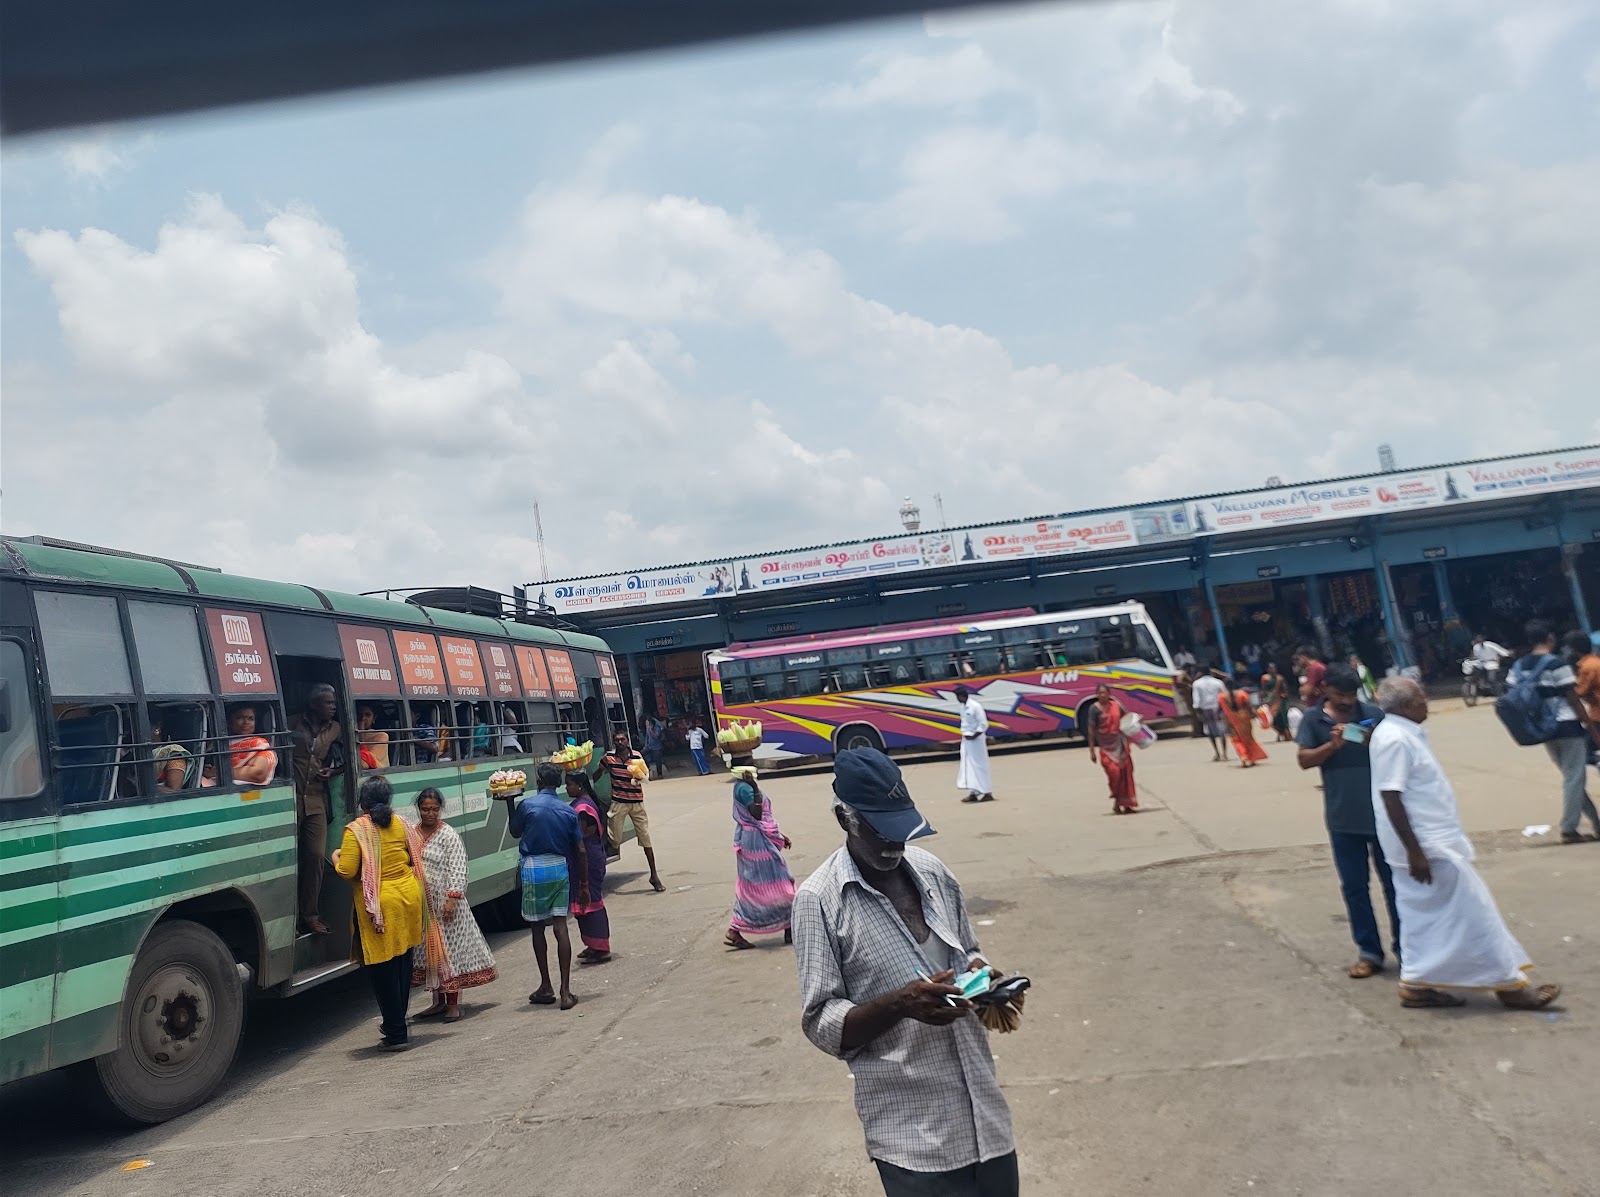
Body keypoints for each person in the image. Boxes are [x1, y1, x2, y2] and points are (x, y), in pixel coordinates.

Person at [793, 748, 1017, 1197]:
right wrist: (901, 1003)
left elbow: (968, 950)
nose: (894, 844)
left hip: (986, 1118)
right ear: (845, 820)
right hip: (914, 1139)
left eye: (902, 829)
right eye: (881, 832)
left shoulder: (932, 871)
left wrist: (982, 976)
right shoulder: (819, 900)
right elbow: (821, 1022)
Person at [1369, 677, 1561, 1011]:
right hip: (1427, 846)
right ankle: (1509, 986)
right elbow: (1391, 797)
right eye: (1420, 696)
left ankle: (1414, 983)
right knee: (1477, 911)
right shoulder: (1395, 738)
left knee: (1423, 919)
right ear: (1405, 706)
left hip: (1428, 843)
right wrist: (1416, 851)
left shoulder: (1400, 734)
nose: (1427, 700)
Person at [1296, 662, 1398, 979]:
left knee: (1395, 886)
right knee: (1355, 888)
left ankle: (1407, 949)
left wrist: (1368, 740)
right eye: (1340, 694)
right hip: (1342, 817)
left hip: (1382, 815)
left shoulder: (1374, 714)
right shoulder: (1313, 718)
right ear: (1325, 689)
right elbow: (1303, 760)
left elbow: (1396, 752)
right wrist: (1332, 746)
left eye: (1352, 694)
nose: (1347, 701)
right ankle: (1369, 952)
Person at [331, 775, 428, 1050]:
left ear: (362, 802)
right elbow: (414, 853)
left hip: (380, 907)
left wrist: (337, 856)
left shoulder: (357, 830)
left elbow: (348, 870)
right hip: (408, 898)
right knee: (401, 965)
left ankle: (396, 1032)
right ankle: (396, 1024)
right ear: (387, 799)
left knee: (383, 971)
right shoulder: (401, 823)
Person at [507, 761, 590, 1010]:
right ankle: (565, 992)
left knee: (537, 929)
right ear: (559, 783)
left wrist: (510, 802)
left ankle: (546, 985)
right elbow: (581, 850)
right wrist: (584, 883)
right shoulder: (567, 811)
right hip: (558, 867)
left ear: (539, 781)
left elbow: (514, 831)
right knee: (560, 927)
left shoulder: (528, 805)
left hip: (533, 868)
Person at [1508, 620, 1600, 844]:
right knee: (1574, 778)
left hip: (1543, 729)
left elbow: (1512, 696)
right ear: (1550, 638)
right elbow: (1573, 699)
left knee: (1572, 778)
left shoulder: (1519, 667)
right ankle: (1569, 829)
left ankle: (1596, 823)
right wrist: (1589, 726)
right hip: (1567, 726)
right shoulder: (1555, 663)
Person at [411, 787, 498, 1021]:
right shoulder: (412, 833)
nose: (429, 813)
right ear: (418, 809)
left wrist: (452, 898)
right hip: (423, 907)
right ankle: (437, 1001)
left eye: (434, 809)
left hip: (446, 907)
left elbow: (458, 868)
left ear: (440, 809)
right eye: (425, 809)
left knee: (449, 953)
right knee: (432, 954)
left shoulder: (448, 834)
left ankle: (452, 1004)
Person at [289, 684, 342, 936]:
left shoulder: (336, 729)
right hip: (290, 802)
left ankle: (310, 915)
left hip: (316, 802)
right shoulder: (291, 724)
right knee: (288, 860)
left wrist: (332, 771)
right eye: (328, 703)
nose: (333, 707)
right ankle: (288, 919)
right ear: (313, 705)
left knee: (315, 856)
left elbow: (346, 759)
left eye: (333, 703)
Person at [725, 765, 796, 949]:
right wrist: (754, 787)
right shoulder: (744, 787)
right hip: (756, 842)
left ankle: (788, 928)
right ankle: (736, 928)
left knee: (759, 886)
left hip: (755, 838)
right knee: (778, 884)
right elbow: (756, 814)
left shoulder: (741, 786)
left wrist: (780, 836)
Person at [601, 731, 665, 892]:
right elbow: (599, 771)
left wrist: (640, 779)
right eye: (617, 740)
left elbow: (646, 774)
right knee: (614, 838)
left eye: (622, 739)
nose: (620, 742)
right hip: (619, 802)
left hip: (637, 803)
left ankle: (654, 876)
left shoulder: (637, 756)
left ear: (627, 741)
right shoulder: (609, 758)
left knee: (645, 839)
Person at [564, 770, 612, 963]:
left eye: (569, 784)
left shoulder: (583, 807)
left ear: (580, 785)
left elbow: (580, 835)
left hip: (588, 857)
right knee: (584, 901)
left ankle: (601, 947)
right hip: (583, 856)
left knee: (591, 900)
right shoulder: (582, 802)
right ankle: (592, 944)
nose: (567, 788)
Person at [1086, 683, 1138, 814]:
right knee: (1114, 773)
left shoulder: (1116, 705)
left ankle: (1126, 805)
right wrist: (1092, 750)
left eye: (1105, 693)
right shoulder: (1094, 709)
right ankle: (1116, 797)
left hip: (1120, 744)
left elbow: (1126, 720)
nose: (1102, 695)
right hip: (1106, 747)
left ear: (1109, 694)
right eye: (1100, 693)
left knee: (1125, 773)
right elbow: (1091, 730)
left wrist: (1137, 724)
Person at [953, 684, 994, 803]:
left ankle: (987, 792)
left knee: (980, 765)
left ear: (962, 696)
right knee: (968, 766)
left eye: (958, 696)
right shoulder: (962, 707)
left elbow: (983, 724)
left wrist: (975, 735)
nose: (957, 699)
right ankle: (973, 793)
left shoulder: (975, 706)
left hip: (977, 740)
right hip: (967, 740)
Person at [1218, 678, 1267, 767]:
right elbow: (1249, 707)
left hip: (1231, 721)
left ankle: (1243, 756)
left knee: (1236, 740)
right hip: (1244, 719)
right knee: (1248, 739)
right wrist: (1257, 716)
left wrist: (1219, 718)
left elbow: (1219, 710)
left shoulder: (1221, 696)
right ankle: (1252, 759)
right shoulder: (1242, 694)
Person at [227, 704, 278, 784]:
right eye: (240, 718)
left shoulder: (259, 745)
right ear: (230, 721)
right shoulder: (219, 743)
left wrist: (219, 773)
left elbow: (257, 773)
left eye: (250, 719)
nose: (246, 722)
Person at [1191, 667, 1229, 762]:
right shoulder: (1218, 682)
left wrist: (1198, 712)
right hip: (1218, 708)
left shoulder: (1196, 684)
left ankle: (1217, 753)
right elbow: (1224, 695)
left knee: (1210, 732)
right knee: (1222, 732)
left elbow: (1196, 700)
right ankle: (1225, 754)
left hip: (1205, 709)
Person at [1258, 662, 1292, 741]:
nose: (1272, 670)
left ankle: (1286, 735)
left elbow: (1283, 688)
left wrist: (1284, 694)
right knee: (1273, 719)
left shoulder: (1279, 678)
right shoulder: (1265, 678)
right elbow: (1263, 689)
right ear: (1267, 669)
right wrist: (1263, 699)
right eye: (1270, 668)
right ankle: (1280, 733)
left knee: (1283, 718)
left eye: (1274, 668)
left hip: (1280, 700)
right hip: (1270, 700)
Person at [355, 706, 390, 770]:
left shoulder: (381, 736)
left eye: (367, 715)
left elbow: (364, 764)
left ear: (374, 718)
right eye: (360, 715)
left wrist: (361, 734)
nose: (363, 718)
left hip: (378, 776)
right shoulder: (351, 736)